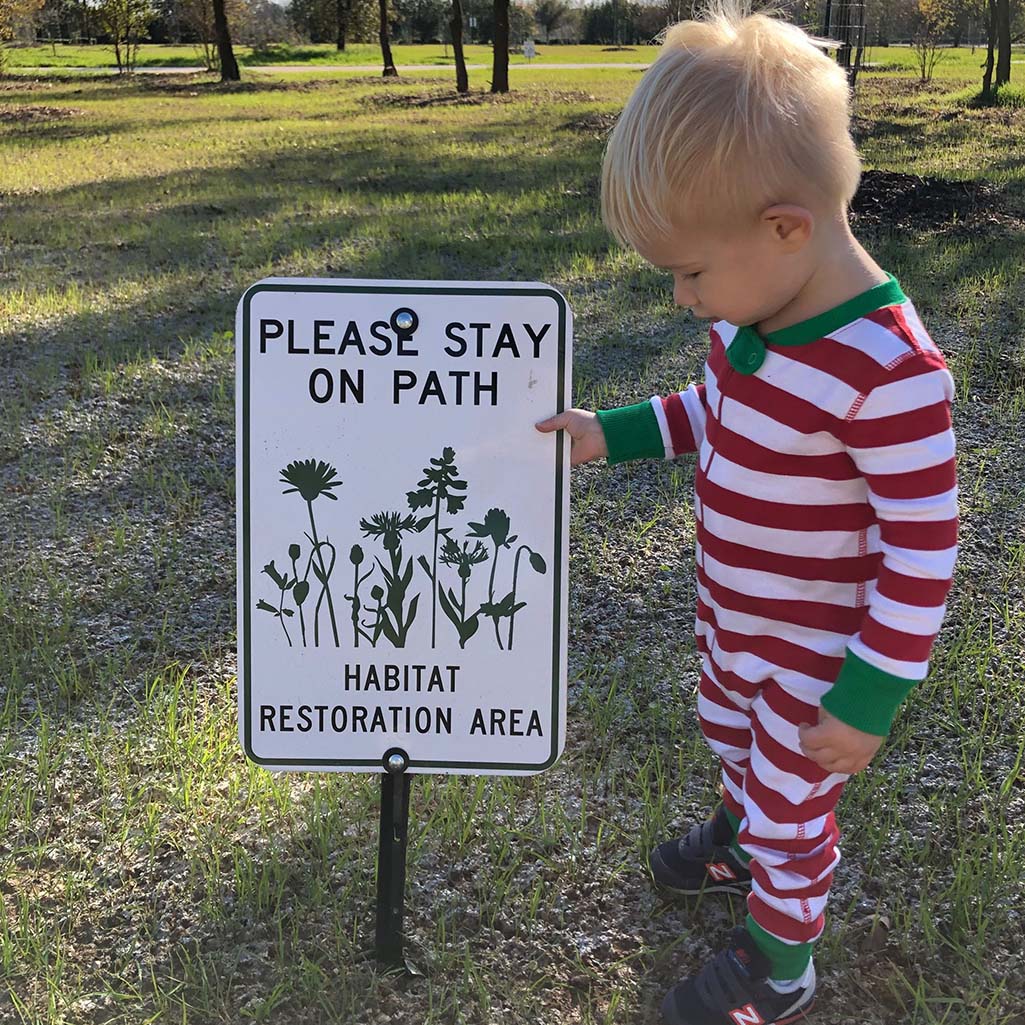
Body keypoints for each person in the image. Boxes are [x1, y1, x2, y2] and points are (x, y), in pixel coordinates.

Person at [535, 4, 959, 1023]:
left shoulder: (890, 373)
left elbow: (921, 552)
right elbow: (712, 409)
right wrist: (613, 430)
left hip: (817, 653)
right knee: (728, 731)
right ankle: (735, 837)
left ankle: (779, 962)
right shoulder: (757, 314)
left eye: (688, 271)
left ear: (782, 229)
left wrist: (862, 699)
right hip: (737, 621)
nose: (683, 299)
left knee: (790, 802)